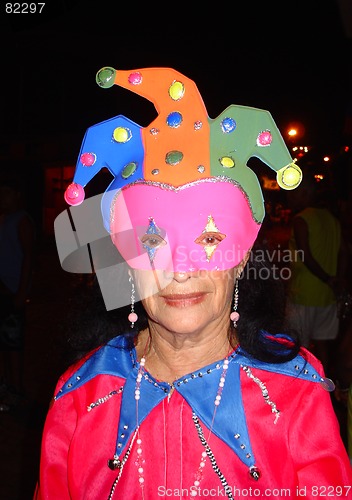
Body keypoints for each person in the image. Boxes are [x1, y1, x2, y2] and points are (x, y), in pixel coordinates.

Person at [34, 67, 351, 499]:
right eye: (151, 240)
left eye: (210, 238)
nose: (180, 269)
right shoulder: (80, 395)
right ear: (127, 264)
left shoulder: (296, 394)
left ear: (240, 260)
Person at [285, 172, 348, 375]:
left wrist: (327, 278)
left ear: (305, 194)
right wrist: (336, 280)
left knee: (298, 346)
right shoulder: (332, 220)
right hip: (327, 295)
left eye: (293, 194)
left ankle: (301, 383)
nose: (290, 198)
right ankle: (324, 383)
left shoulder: (301, 219)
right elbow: (343, 252)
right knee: (323, 345)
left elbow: (305, 255)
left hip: (304, 293)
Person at [0, 172, 36, 410]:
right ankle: (7, 385)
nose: (2, 197)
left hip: (13, 291)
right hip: (2, 290)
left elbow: (29, 258)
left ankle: (17, 390)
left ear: (17, 195)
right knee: (4, 341)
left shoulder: (22, 220)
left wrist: (22, 292)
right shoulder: (3, 219)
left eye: (6, 193)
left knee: (13, 342)